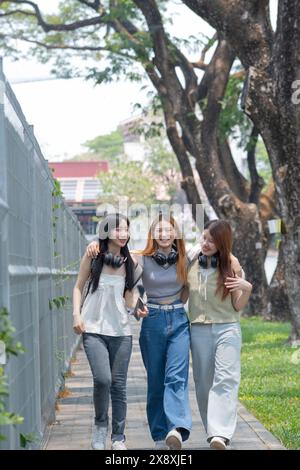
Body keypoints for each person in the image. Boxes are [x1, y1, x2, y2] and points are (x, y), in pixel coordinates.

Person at [86, 215, 192, 450]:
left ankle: (177, 428)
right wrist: (93, 244)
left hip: (178, 320)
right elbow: (118, 264)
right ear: (152, 235)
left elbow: (214, 251)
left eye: (169, 231)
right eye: (159, 231)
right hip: (152, 321)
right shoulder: (140, 259)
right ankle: (159, 436)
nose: (164, 235)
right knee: (155, 380)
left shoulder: (185, 259)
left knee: (175, 376)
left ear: (176, 234)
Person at [72, 213, 143, 451]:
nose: (123, 234)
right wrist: (76, 315)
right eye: (117, 230)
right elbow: (78, 287)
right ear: (106, 232)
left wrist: (137, 310)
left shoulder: (132, 264)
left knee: (119, 385)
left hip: (121, 331)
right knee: (103, 379)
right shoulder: (93, 255)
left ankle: (118, 437)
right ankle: (100, 426)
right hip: (93, 329)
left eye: (126, 230)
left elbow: (130, 298)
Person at [186, 219, 252, 450]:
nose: (206, 243)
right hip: (198, 329)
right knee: (203, 384)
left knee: (225, 379)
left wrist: (247, 288)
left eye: (212, 240)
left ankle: (220, 435)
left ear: (222, 242)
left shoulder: (231, 264)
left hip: (227, 328)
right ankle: (213, 431)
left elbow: (237, 305)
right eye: (204, 238)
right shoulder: (191, 262)